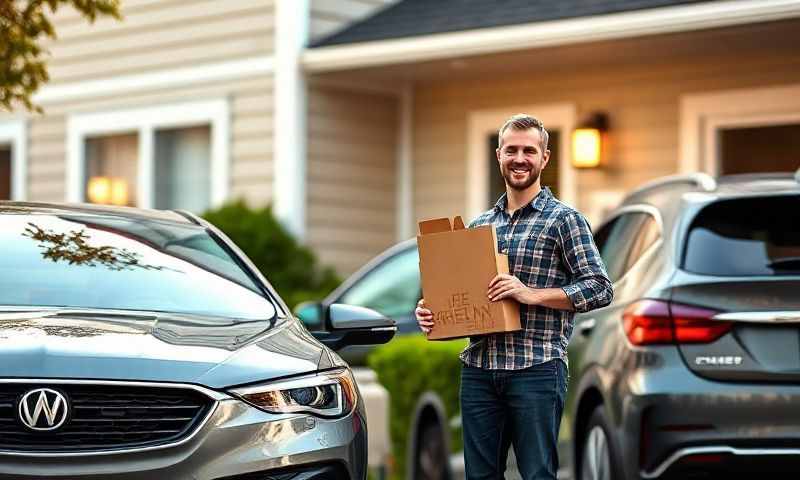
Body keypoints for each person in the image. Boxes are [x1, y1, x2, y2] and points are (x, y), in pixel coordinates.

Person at [416, 114, 613, 480]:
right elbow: (461, 300)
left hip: (536, 368)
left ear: (544, 159)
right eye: (511, 150)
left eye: (529, 151)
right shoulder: (478, 228)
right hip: (479, 370)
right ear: (498, 155)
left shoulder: (564, 220)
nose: (519, 158)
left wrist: (532, 295)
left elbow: (599, 287)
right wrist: (433, 313)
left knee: (537, 473)